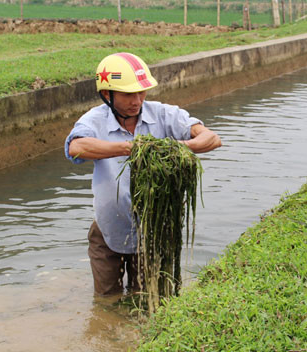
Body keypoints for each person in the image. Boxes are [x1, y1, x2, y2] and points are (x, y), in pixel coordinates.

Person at [64, 52, 221, 296]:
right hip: (108, 229)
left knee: (149, 297)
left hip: (154, 230)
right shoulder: (94, 120)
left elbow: (211, 139)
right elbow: (76, 148)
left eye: (141, 92)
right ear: (107, 94)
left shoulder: (163, 114)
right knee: (106, 299)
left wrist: (174, 147)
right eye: (128, 94)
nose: (137, 100)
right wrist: (133, 148)